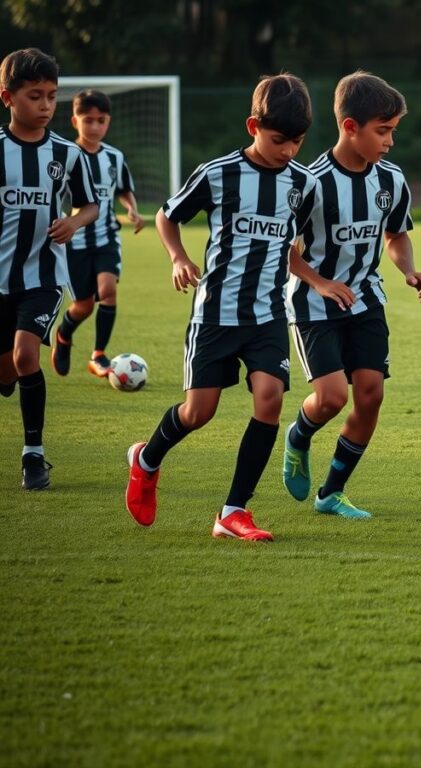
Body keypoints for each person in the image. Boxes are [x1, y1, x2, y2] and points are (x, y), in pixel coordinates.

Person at [124, 74, 318, 541]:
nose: (289, 150)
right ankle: (146, 460)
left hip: (268, 314)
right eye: (279, 140)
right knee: (199, 412)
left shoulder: (303, 183)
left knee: (269, 400)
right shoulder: (219, 173)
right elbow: (167, 216)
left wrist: (314, 279)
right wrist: (178, 257)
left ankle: (233, 512)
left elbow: (292, 245)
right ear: (253, 125)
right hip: (214, 314)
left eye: (297, 142)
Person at [281, 71, 421, 520]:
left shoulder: (391, 181)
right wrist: (320, 282)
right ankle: (298, 436)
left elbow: (396, 235)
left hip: (366, 299)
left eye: (393, 132)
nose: (389, 141)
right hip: (313, 303)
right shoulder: (310, 183)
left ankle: (332, 492)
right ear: (350, 127)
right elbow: (286, 251)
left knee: (370, 394)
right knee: (331, 399)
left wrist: (409, 269)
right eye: (382, 131)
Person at [0, 48, 98, 490]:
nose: (44, 105)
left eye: (52, 96)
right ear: (8, 98)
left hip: (43, 277)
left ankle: (33, 455)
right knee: (8, 369)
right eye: (34, 95)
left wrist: (74, 221)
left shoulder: (67, 153)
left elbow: (91, 204)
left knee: (25, 355)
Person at [51, 90, 145, 379]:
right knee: (84, 305)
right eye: (87, 120)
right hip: (75, 241)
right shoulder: (65, 155)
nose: (94, 126)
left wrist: (132, 209)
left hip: (106, 238)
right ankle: (64, 337)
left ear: (108, 122)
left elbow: (124, 189)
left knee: (108, 290)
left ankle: (98, 354)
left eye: (100, 120)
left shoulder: (114, 157)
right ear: (75, 120)